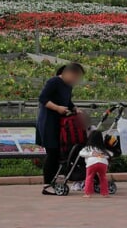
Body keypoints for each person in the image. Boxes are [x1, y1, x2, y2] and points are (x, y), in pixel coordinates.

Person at [37, 62, 85, 195]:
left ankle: (54, 181)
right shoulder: (54, 82)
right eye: (75, 76)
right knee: (52, 153)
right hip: (48, 123)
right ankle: (47, 185)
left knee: (59, 153)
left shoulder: (68, 86)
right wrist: (57, 108)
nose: (76, 80)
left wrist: (75, 109)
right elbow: (43, 98)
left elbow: (67, 102)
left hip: (61, 124)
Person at [79, 129, 111, 198]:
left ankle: (88, 193)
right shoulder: (102, 148)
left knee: (89, 177)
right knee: (103, 177)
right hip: (103, 163)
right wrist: (101, 155)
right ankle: (105, 193)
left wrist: (91, 154)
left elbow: (81, 153)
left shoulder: (88, 148)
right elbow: (109, 155)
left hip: (92, 163)